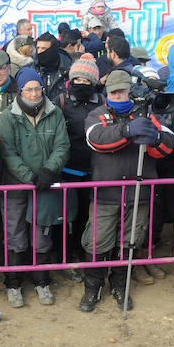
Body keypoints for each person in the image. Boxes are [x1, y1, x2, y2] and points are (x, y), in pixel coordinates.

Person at [80, 70, 174, 313]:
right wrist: (126, 131)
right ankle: (93, 287)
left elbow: (167, 145)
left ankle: (120, 285)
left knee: (129, 244)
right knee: (97, 243)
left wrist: (154, 138)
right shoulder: (96, 115)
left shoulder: (146, 113)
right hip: (106, 194)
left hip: (138, 194)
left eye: (123, 91)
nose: (120, 95)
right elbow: (97, 140)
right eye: (114, 92)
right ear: (107, 94)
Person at [0, 68, 70, 307]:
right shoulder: (9, 116)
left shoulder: (54, 113)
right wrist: (29, 176)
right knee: (15, 233)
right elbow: (7, 151)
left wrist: (49, 171)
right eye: (29, 89)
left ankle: (41, 281)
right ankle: (14, 282)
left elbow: (62, 145)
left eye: (38, 88)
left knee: (42, 233)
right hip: (15, 185)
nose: (35, 93)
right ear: (21, 90)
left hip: (44, 185)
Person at [55, 54, 103, 281]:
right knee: (66, 217)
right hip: (68, 170)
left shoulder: (102, 102)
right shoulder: (61, 101)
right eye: (78, 80)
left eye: (86, 81)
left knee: (88, 216)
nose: (81, 85)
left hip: (94, 170)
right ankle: (67, 257)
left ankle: (86, 256)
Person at [33, 32, 72, 99]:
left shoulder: (69, 70)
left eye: (43, 48)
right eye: (38, 48)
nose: (39, 52)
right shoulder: (31, 69)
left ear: (52, 50)